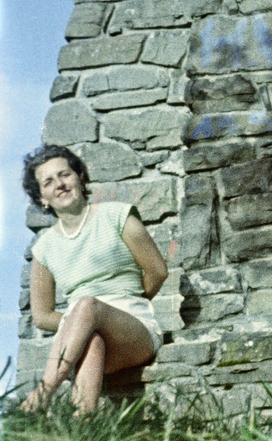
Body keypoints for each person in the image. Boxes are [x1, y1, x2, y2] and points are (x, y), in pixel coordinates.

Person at [20, 144, 168, 416]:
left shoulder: (118, 215)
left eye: (64, 174)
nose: (59, 185)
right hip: (83, 338)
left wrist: (118, 306)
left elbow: (157, 271)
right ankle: (84, 423)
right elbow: (42, 316)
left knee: (88, 305)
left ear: (80, 178)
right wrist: (80, 322)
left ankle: (44, 393)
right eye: (48, 182)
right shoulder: (43, 250)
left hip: (134, 332)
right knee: (92, 337)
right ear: (42, 198)